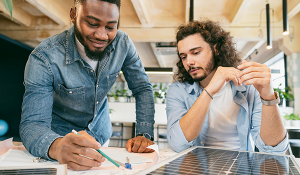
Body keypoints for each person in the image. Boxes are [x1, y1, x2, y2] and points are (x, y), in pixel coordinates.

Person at [20, 0, 155, 171]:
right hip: (60, 142)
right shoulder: (44, 58)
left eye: (110, 27)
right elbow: (33, 124)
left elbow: (142, 88)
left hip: (101, 134)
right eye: (92, 24)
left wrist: (144, 133)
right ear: (73, 15)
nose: (101, 35)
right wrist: (55, 146)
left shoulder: (123, 43)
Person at [166, 19, 288, 154]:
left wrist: (268, 96)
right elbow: (178, 144)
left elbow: (274, 149)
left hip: (240, 167)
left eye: (196, 53)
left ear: (216, 49)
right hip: (197, 169)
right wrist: (210, 90)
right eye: (183, 57)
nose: (189, 62)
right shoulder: (178, 90)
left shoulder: (248, 86)